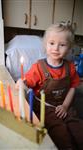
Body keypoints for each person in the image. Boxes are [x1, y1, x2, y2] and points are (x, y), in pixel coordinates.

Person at [16, 22, 83, 150]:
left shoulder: (70, 67)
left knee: (78, 128)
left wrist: (65, 106)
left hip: (65, 105)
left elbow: (73, 87)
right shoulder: (38, 67)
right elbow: (26, 82)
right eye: (52, 43)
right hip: (45, 108)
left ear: (69, 48)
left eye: (62, 45)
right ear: (45, 45)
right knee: (60, 132)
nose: (56, 48)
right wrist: (21, 83)